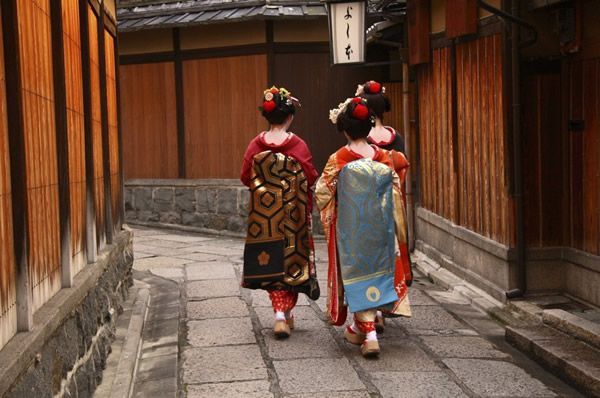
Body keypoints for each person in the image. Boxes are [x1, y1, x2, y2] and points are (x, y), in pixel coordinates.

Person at [316, 97, 411, 357]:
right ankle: (368, 326)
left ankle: (368, 334)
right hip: (381, 232)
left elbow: (323, 193)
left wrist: (336, 210)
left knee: (357, 277)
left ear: (344, 130)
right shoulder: (383, 157)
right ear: (369, 129)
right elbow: (395, 194)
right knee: (379, 273)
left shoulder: (338, 159)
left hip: (352, 233)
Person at [240, 86, 319, 339]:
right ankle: (283, 314)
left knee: (270, 262)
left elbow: (245, 177)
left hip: (265, 218)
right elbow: (310, 176)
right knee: (291, 262)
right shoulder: (298, 144)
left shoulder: (256, 144)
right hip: (293, 216)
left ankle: (279, 314)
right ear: (289, 116)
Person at [357, 80, 414, 333]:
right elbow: (401, 167)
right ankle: (385, 305)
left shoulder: (362, 140)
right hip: (390, 204)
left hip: (366, 204)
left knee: (370, 256)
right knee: (390, 253)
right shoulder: (394, 137)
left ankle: (374, 309)